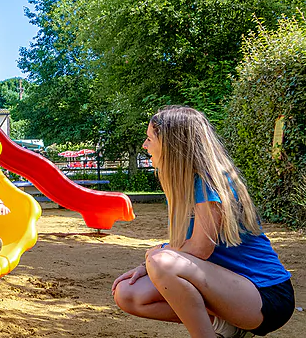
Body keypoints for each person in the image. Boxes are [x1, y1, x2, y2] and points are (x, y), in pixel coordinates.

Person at [112, 106, 294, 338]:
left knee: (162, 261)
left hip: (265, 294)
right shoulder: (185, 183)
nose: (144, 146)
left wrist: (157, 254)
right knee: (127, 293)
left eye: (149, 139)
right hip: (229, 289)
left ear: (172, 145)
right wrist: (145, 265)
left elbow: (199, 249)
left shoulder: (209, 181)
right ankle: (226, 325)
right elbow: (183, 250)